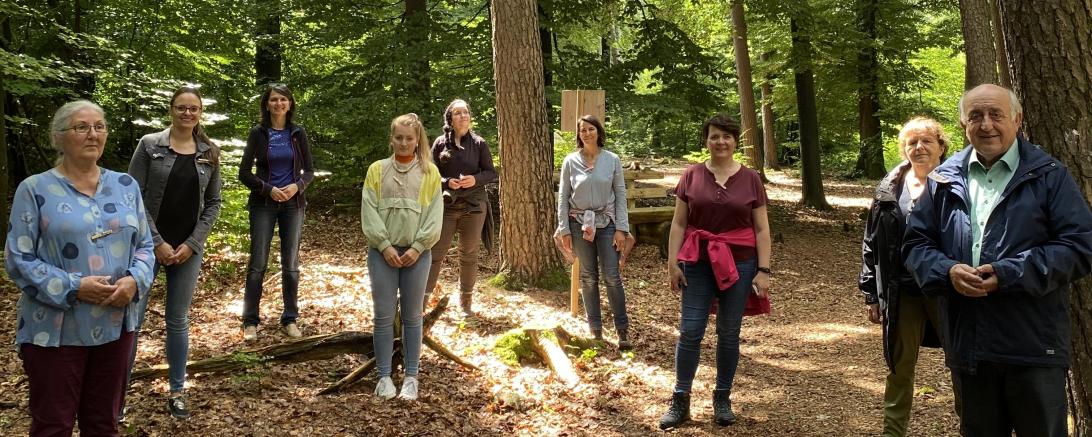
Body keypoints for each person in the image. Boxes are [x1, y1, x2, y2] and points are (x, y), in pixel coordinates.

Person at [903, 84, 1092, 436]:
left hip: (1034, 344)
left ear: (1017, 120)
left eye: (996, 115)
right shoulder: (944, 178)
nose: (986, 125)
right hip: (970, 346)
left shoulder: (1050, 175)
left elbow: (1079, 246)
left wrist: (1008, 274)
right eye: (975, 116)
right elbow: (916, 244)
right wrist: (947, 272)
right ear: (963, 124)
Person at [5, 100, 155, 436]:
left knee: (103, 423)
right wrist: (74, 286)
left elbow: (145, 245)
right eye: (81, 127)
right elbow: (18, 259)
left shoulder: (125, 186)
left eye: (99, 126)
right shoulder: (35, 189)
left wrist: (134, 280)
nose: (93, 134)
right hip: (55, 330)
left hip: (117, 324)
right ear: (58, 138)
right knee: (53, 425)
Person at [659, 114, 772, 430]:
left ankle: (722, 397)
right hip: (698, 261)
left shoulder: (751, 179)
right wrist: (672, 264)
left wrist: (763, 270)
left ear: (735, 141)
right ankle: (680, 400)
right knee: (691, 329)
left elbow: (762, 229)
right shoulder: (692, 176)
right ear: (705, 141)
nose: (720, 142)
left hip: (742, 263)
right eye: (714, 136)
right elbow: (679, 223)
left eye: (726, 136)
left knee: (728, 332)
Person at [126, 86, 223, 419]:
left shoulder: (210, 151)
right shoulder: (149, 145)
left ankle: (178, 392)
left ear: (200, 113)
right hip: (146, 246)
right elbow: (132, 196)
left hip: (187, 249)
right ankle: (117, 393)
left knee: (178, 320)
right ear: (171, 110)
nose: (187, 113)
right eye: (181, 108)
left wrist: (192, 244)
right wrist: (156, 242)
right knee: (132, 320)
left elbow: (213, 203)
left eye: (193, 108)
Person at [859, 117, 948, 436]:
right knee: (899, 366)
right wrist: (871, 292)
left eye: (926, 141)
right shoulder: (888, 189)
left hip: (947, 289)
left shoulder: (957, 182)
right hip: (903, 291)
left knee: (965, 363)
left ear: (941, 146)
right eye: (911, 142)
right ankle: (893, 431)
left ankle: (975, 425)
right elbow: (871, 242)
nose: (919, 147)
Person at [360, 113, 442, 401]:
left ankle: (411, 377)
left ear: (417, 139)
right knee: (383, 316)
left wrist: (418, 247)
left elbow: (434, 216)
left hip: (417, 256)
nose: (404, 143)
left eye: (409, 138)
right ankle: (383, 377)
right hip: (382, 254)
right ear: (391, 139)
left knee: (412, 317)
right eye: (398, 138)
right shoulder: (376, 170)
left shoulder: (430, 173)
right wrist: (384, 246)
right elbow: (368, 211)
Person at [239, 83, 315, 341]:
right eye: (274, 100)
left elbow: (310, 172)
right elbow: (244, 173)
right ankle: (250, 322)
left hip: (293, 205)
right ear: (267, 104)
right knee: (258, 263)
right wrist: (268, 189)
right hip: (263, 205)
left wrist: (297, 186)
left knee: (290, 264)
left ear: (290, 104)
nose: (278, 104)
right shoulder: (258, 133)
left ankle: (290, 318)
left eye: (283, 99)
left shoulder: (298, 133)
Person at [555, 114, 633, 349]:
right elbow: (563, 197)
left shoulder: (612, 160)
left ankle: (622, 331)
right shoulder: (570, 161)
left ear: (598, 132)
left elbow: (620, 194)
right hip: (578, 223)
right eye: (582, 130)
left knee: (612, 276)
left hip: (607, 222)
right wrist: (564, 228)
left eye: (591, 129)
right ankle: (595, 331)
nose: (587, 133)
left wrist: (621, 228)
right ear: (578, 135)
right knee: (588, 278)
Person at [424, 99, 497, 316]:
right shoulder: (439, 143)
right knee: (436, 252)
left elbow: (491, 173)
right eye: (458, 113)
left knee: (469, 253)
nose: (463, 116)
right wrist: (447, 182)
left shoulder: (479, 144)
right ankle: (422, 300)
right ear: (450, 119)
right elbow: (429, 172)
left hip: (474, 206)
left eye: (466, 112)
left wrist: (474, 180)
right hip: (447, 205)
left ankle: (465, 302)